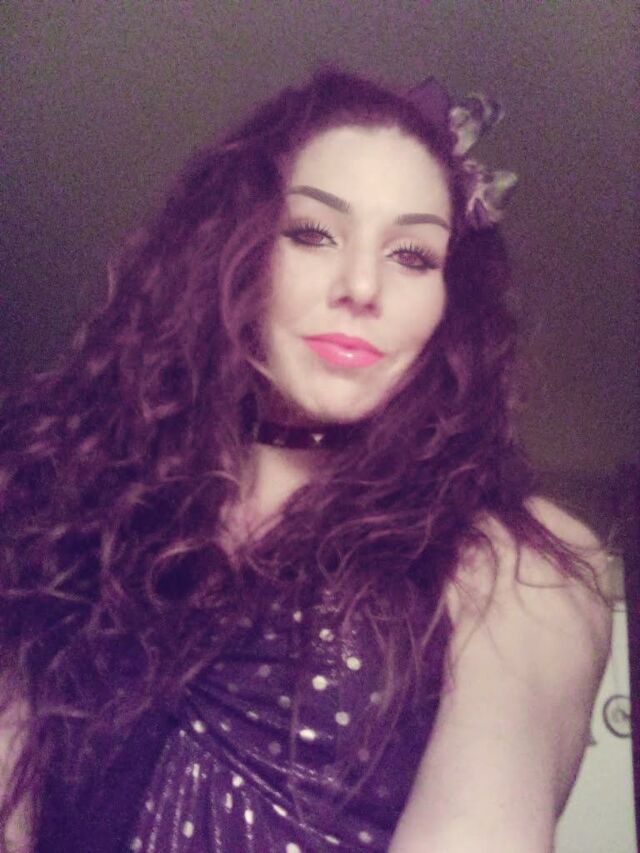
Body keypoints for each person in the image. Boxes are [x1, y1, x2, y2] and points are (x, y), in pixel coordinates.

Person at [0, 69, 611, 853]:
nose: (361, 286)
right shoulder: (70, 517)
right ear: (235, 253)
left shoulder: (517, 564)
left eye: (413, 255)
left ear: (451, 303)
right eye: (313, 234)